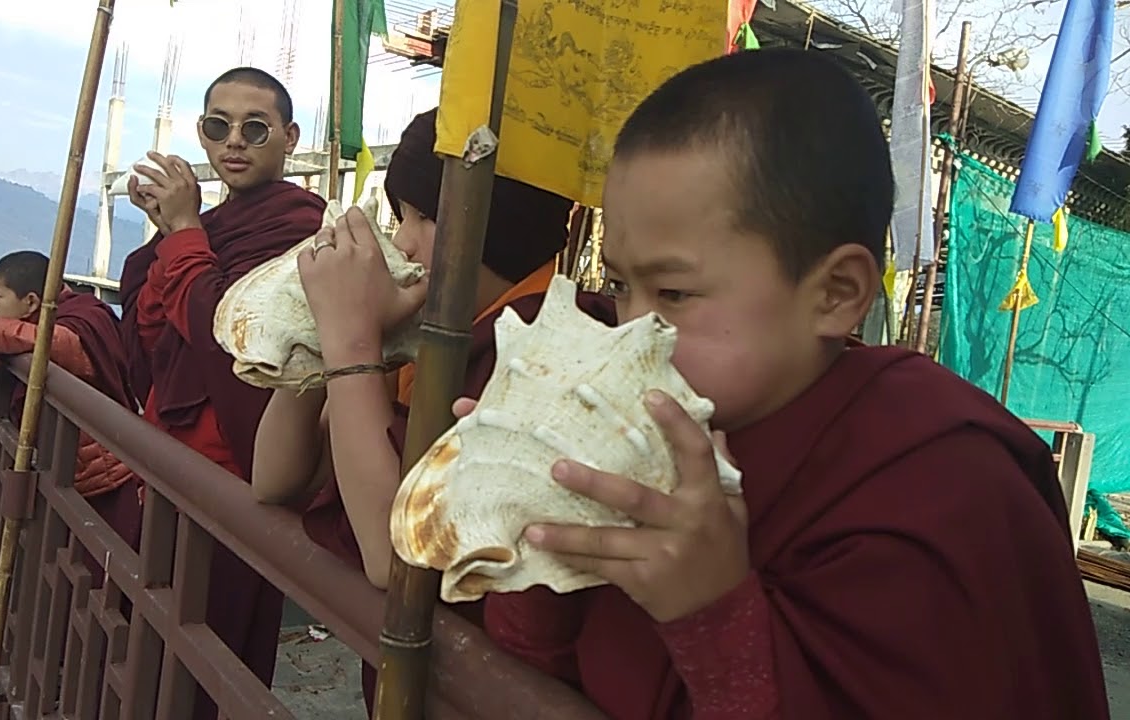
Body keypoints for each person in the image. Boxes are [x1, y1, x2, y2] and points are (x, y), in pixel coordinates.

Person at [466, 49, 1111, 719]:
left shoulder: (945, 484)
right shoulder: (652, 445)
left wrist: (710, 608)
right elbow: (537, 677)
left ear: (837, 293)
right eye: (622, 287)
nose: (631, 332)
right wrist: (538, 538)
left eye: (675, 292)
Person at [249, 107, 617, 712]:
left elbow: (394, 558)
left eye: (425, 216)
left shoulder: (545, 347)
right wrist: (320, 332)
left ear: (497, 223)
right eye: (400, 215)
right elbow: (276, 478)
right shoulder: (432, 337)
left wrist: (351, 341)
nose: (402, 241)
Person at [117, 67, 326, 717]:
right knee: (142, 643)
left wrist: (182, 231)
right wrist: (170, 233)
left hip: (231, 469)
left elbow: (226, 329)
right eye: (218, 126)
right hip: (163, 460)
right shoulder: (216, 225)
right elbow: (155, 343)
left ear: (288, 138)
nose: (234, 142)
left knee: (211, 654)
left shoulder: (298, 227)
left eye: (254, 128)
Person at [0, 250, 142, 582]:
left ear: (32, 301)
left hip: (102, 471)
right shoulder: (36, 323)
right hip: (66, 470)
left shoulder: (82, 322)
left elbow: (48, 343)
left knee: (96, 575)